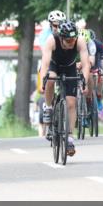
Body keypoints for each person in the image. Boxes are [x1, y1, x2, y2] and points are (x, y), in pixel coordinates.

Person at [39, 20, 90, 156]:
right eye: (68, 40)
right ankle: (49, 108)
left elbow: (85, 64)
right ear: (61, 37)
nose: (71, 43)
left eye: (73, 40)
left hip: (70, 67)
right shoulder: (51, 40)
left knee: (71, 103)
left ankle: (69, 138)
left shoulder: (80, 41)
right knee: (50, 79)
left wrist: (84, 81)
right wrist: (42, 82)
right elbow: (44, 64)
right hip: (54, 65)